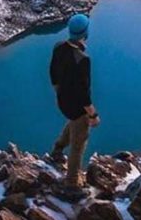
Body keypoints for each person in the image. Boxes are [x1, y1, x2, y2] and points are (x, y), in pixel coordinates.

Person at [48, 12, 100, 189]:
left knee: (73, 122)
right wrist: (93, 115)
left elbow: (53, 74)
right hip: (77, 108)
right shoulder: (83, 60)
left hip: (62, 101)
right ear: (85, 33)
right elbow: (84, 92)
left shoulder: (58, 47)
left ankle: (57, 149)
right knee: (79, 144)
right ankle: (71, 183)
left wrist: (60, 93)